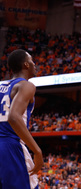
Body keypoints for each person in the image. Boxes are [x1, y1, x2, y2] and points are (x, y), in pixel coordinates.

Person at [0, 49, 43, 188]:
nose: (34, 64)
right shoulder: (26, 85)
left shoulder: (0, 85)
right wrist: (37, 151)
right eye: (31, 60)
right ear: (26, 64)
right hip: (11, 145)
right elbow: (14, 117)